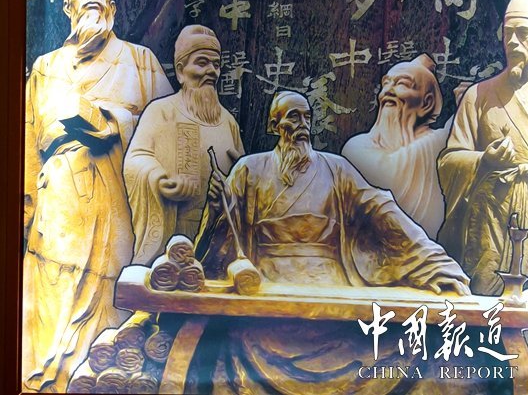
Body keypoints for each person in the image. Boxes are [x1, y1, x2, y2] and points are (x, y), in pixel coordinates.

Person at [194, 90, 470, 395]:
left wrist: (435, 262)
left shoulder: (336, 168)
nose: (302, 125)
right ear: (275, 125)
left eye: (307, 117)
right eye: (293, 117)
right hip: (270, 286)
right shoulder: (249, 169)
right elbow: (224, 235)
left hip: (333, 287)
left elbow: (381, 210)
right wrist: (218, 208)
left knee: (397, 343)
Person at [22, 0, 172, 393]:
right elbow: (28, 142)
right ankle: (49, 378)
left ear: (113, 6)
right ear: (67, 7)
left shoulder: (140, 61)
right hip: (59, 199)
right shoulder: (45, 67)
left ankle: (107, 375)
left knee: (112, 285)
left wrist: (112, 124)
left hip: (116, 192)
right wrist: (27, 206)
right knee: (54, 286)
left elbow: (165, 127)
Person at [438, 0, 528, 394]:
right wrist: (484, 161)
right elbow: (448, 161)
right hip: (491, 226)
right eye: (507, 33)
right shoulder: (479, 96)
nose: (513, 42)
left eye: (524, 33)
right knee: (488, 324)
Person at [124, 25, 244, 264]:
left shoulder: (228, 122)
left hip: (215, 238)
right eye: (202, 63)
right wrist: (160, 179)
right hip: (173, 231)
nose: (212, 71)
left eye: (216, 65)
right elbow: (135, 159)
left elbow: (245, 180)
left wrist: (230, 187)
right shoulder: (161, 111)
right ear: (180, 71)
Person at [342, 54, 450, 238]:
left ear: (427, 103)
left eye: (402, 84)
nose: (388, 91)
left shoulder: (441, 144)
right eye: (386, 84)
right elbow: (386, 176)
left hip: (429, 250)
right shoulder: (356, 147)